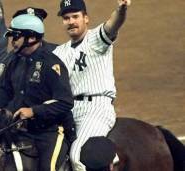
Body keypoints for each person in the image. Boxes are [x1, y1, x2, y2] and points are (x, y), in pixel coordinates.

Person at [53, 0, 131, 170]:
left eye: (75, 16)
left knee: (77, 156)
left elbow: (113, 24)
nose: (71, 21)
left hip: (96, 109)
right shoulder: (58, 52)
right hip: (69, 111)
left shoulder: (96, 39)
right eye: (66, 18)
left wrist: (121, 9)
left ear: (86, 18)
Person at [0, 11, 75, 171]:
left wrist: (34, 111)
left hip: (49, 131)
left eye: (16, 36)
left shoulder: (52, 64)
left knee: (48, 168)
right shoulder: (10, 63)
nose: (12, 41)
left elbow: (65, 102)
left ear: (31, 38)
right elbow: (2, 95)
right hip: (20, 130)